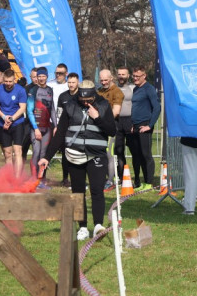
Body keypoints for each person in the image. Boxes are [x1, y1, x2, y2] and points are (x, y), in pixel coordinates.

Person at [39, 79, 116, 241]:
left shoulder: (103, 105)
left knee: (96, 190)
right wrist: (46, 157)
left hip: (96, 155)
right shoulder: (71, 105)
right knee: (78, 192)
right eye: (83, 100)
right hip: (74, 155)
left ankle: (97, 226)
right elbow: (60, 133)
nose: (86, 102)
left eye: (89, 100)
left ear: (94, 95)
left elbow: (112, 130)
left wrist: (97, 118)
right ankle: (82, 227)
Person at [127, 66, 160, 188]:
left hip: (144, 125)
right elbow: (134, 108)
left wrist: (149, 125)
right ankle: (137, 182)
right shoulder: (135, 89)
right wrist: (132, 124)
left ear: (144, 76)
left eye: (137, 76)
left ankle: (149, 182)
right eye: (133, 76)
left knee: (146, 154)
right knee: (136, 155)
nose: (135, 78)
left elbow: (157, 108)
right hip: (135, 126)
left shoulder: (149, 89)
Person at [27, 67, 57, 187]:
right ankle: (33, 179)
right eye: (39, 76)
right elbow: (29, 111)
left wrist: (55, 125)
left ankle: (42, 179)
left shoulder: (50, 90)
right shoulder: (33, 90)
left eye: (43, 76)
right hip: (36, 127)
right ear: (37, 77)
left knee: (44, 154)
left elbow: (52, 109)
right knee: (36, 152)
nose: (41, 78)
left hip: (47, 128)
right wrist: (35, 128)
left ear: (46, 76)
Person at [0, 71, 27, 176]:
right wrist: (4, 117)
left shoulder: (20, 90)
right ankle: (9, 177)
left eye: (10, 81)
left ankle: (17, 178)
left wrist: (12, 119)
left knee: (17, 150)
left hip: (17, 123)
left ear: (14, 80)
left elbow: (22, 108)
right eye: (6, 81)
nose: (8, 83)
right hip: (3, 123)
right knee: (7, 153)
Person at [97, 68, 124, 187]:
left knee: (109, 154)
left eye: (105, 80)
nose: (103, 82)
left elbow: (116, 111)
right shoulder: (99, 91)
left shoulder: (117, 92)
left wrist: (103, 122)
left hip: (111, 127)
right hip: (98, 126)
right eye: (101, 80)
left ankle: (110, 180)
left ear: (111, 78)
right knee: (100, 153)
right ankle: (101, 177)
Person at [114, 67, 135, 179]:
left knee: (134, 150)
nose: (121, 76)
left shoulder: (133, 88)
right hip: (117, 122)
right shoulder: (114, 88)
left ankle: (137, 177)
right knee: (118, 150)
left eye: (123, 74)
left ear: (128, 76)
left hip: (130, 121)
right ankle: (122, 176)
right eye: (119, 74)